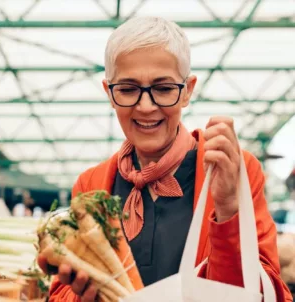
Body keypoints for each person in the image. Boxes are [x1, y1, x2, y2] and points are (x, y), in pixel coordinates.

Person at [37, 16, 292, 301]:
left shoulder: (236, 170)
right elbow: (59, 292)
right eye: (128, 89)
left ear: (188, 91)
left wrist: (229, 209)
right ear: (109, 92)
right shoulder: (91, 184)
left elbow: (264, 291)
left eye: (164, 88)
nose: (146, 106)